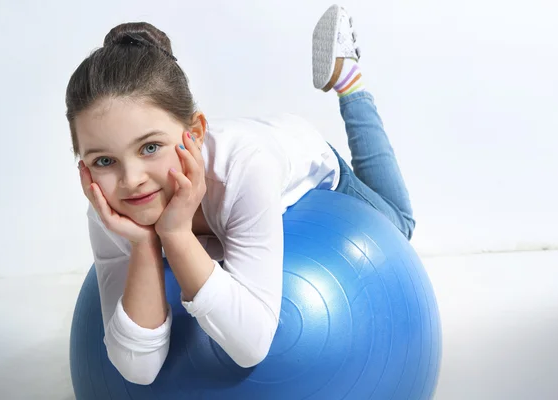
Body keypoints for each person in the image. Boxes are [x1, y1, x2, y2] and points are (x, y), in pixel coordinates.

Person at [65, 4, 415, 385]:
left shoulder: (245, 171)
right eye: (103, 160)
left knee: (400, 224)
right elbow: (137, 369)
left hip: (296, 150)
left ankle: (350, 81)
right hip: (244, 146)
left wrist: (177, 235)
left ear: (194, 133)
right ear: (82, 164)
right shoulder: (107, 207)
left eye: (149, 147)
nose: (131, 180)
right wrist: (144, 244)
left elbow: (252, 345)